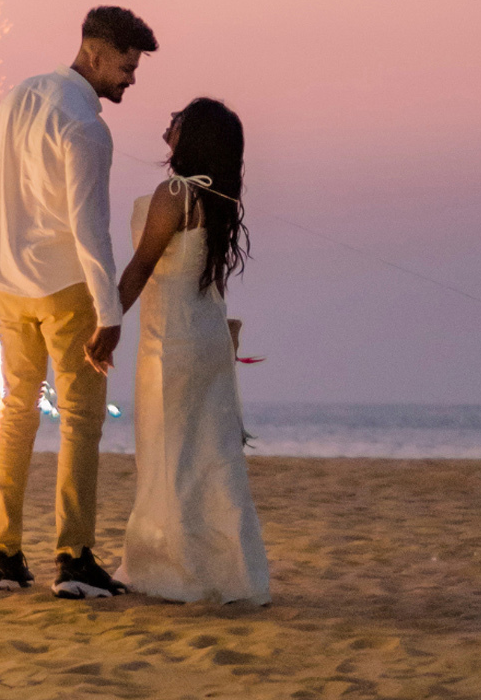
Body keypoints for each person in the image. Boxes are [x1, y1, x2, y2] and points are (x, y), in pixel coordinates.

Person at [0, 5, 155, 599]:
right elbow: (90, 226)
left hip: (7, 283)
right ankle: (73, 559)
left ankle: (3, 555)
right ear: (96, 54)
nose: (131, 79)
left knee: (17, 413)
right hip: (66, 289)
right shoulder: (86, 124)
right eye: (126, 67)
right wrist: (110, 313)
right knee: (80, 423)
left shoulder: (20, 95)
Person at [112, 98, 271, 604]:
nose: (169, 120)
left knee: (171, 452)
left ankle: (174, 571)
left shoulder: (176, 192)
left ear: (194, 134)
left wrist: (106, 322)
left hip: (173, 339)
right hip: (202, 332)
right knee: (211, 453)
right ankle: (231, 574)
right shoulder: (216, 197)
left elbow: (140, 267)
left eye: (179, 116)